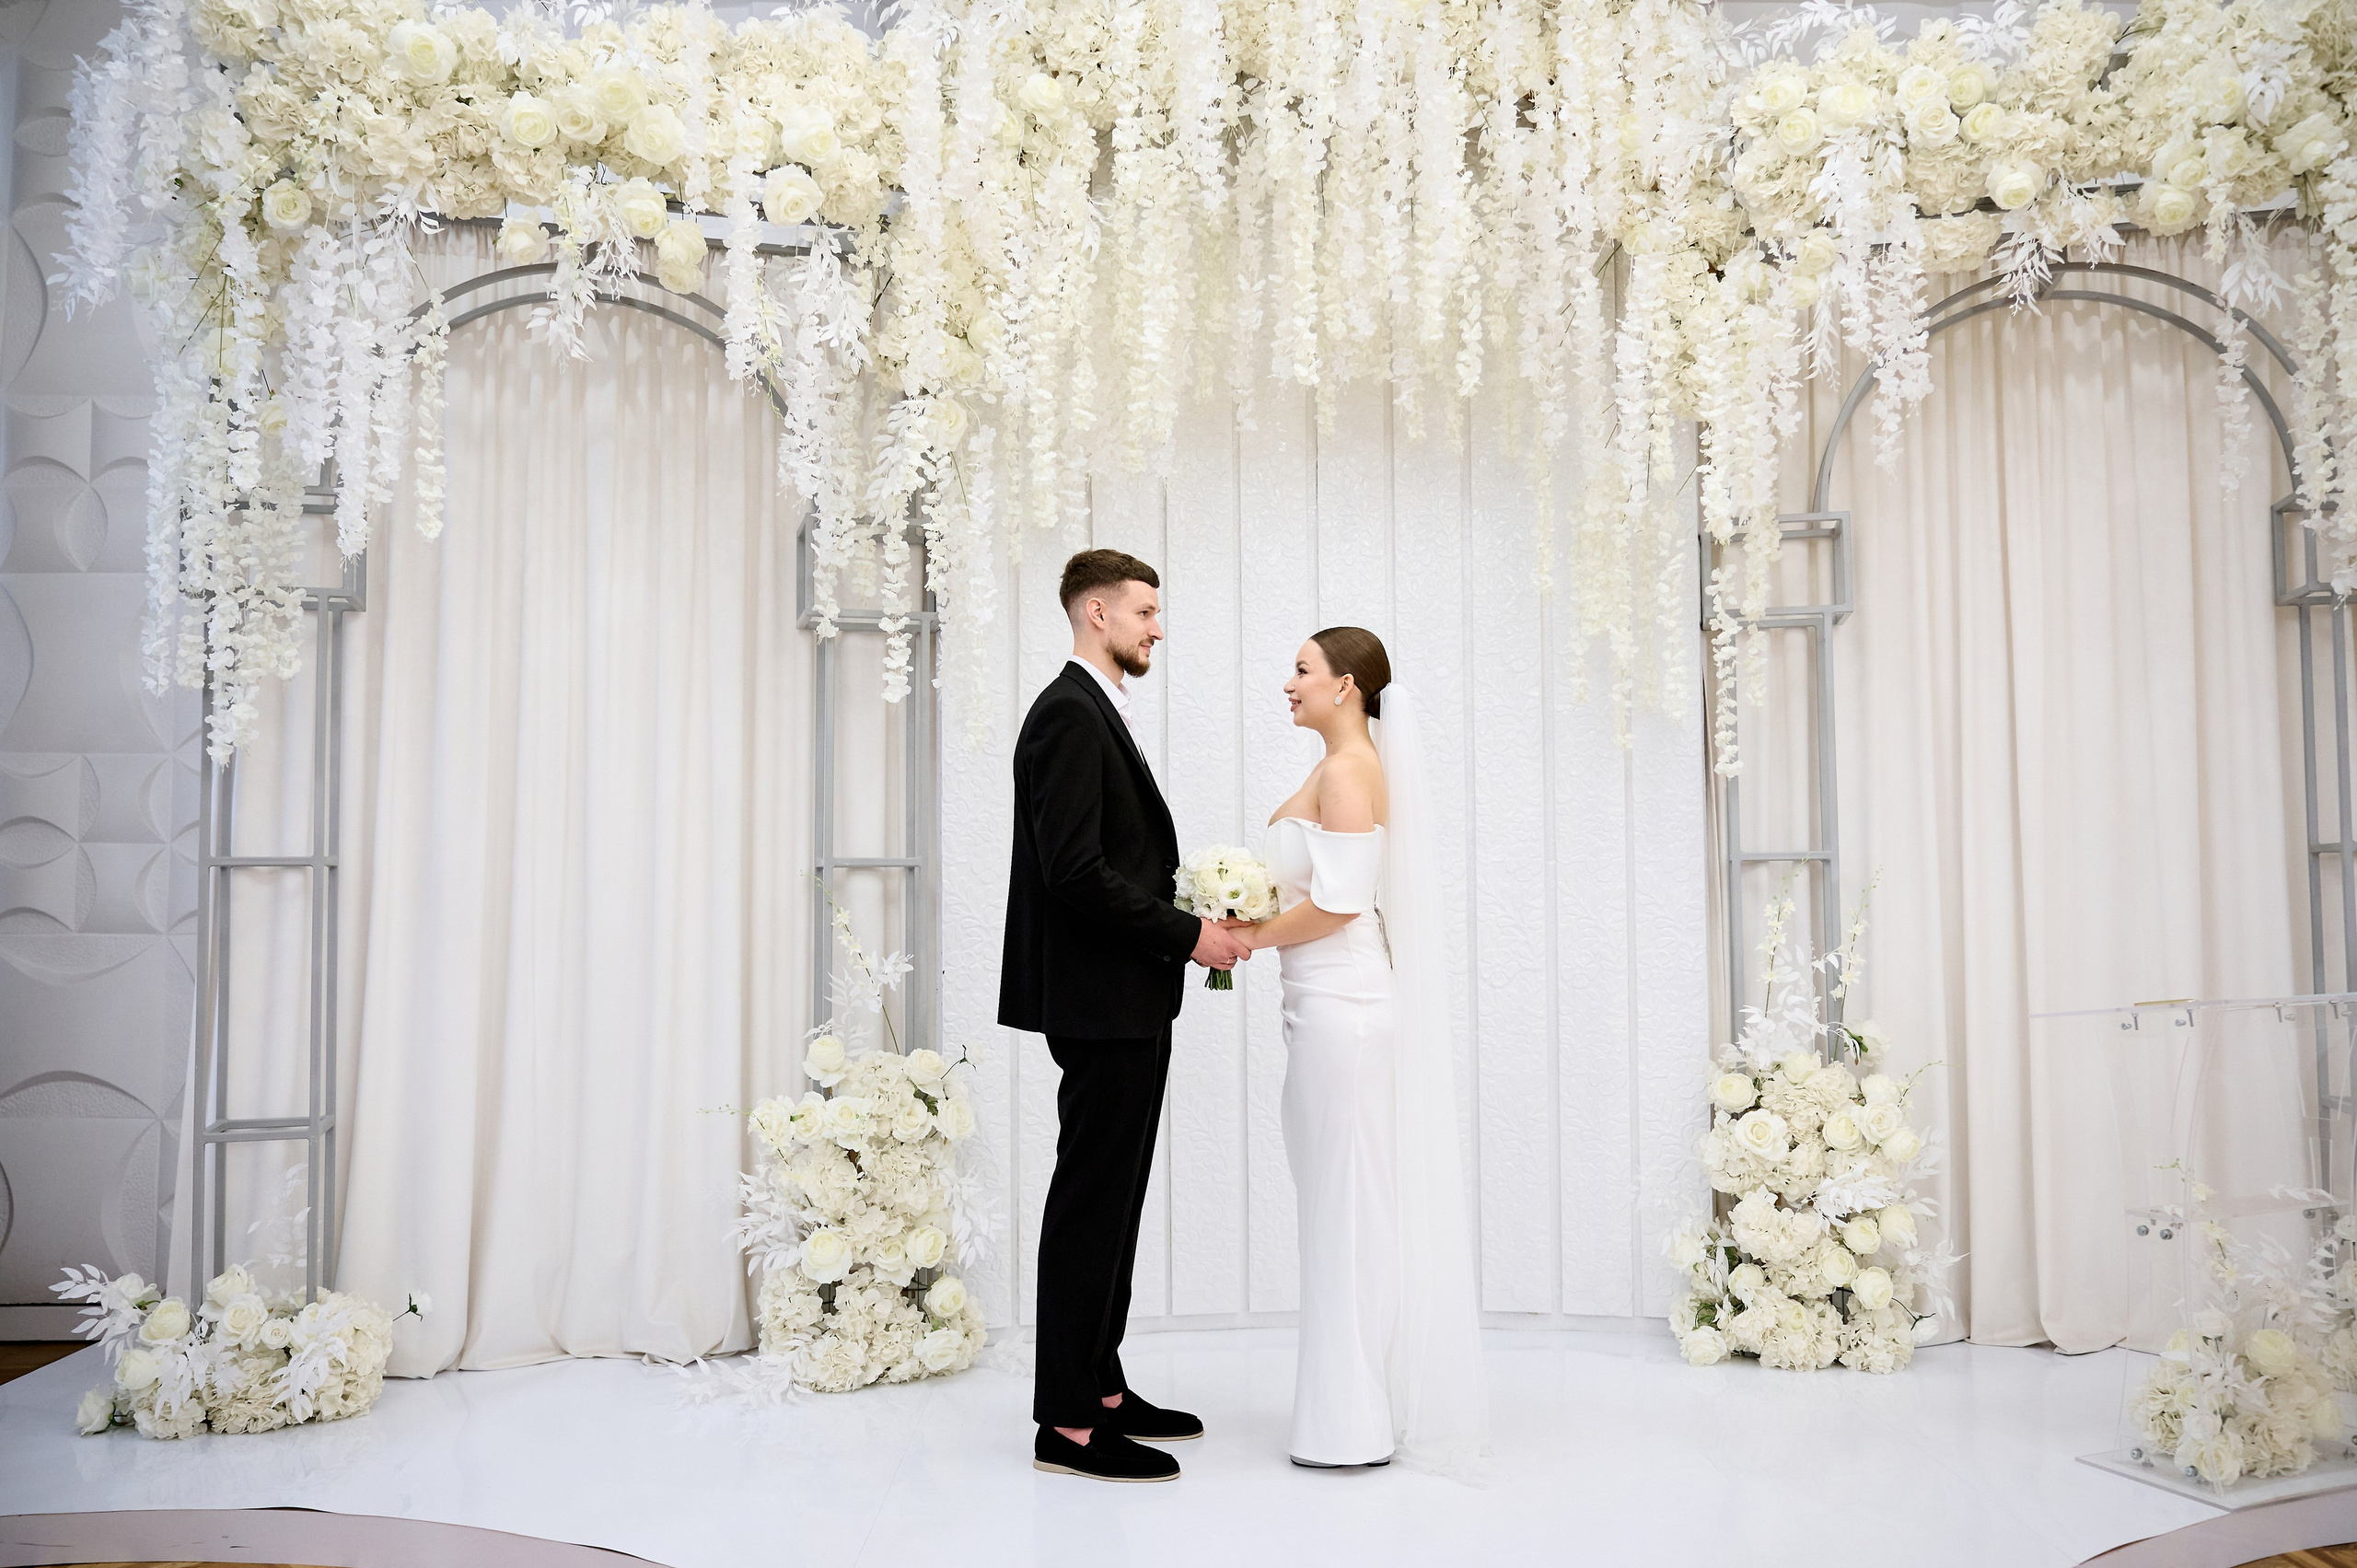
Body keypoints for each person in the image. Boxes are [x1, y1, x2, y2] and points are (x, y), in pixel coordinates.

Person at [999, 549, 1251, 1484]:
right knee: (1089, 1207)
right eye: (1145, 610)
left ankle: (1100, 1386)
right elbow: (1073, 872)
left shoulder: (1094, 708)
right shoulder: (1068, 712)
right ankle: (1066, 1423)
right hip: (1102, 1001)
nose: (1157, 626)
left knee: (1115, 1202)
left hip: (1126, 998)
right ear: (1095, 612)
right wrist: (1188, 935)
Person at [1225, 627, 1489, 1472]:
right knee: (1336, 1204)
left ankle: (1348, 1425)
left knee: (1344, 1208)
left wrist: (1243, 936)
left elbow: (1339, 906)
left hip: (1343, 1007)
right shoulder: (1342, 764)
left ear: (1346, 686)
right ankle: (1346, 1411)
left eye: (1301, 669)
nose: (1288, 683)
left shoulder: (1346, 772)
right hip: (1322, 1007)